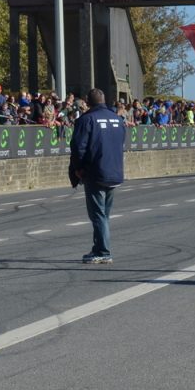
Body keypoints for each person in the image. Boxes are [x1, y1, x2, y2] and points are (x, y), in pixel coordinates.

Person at [69, 88, 125, 265]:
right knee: (104, 215)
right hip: (114, 171)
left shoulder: (86, 120)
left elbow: (78, 147)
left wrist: (78, 168)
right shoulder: (117, 119)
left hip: (95, 172)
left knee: (98, 214)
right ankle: (98, 247)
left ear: (87, 101)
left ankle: (103, 251)